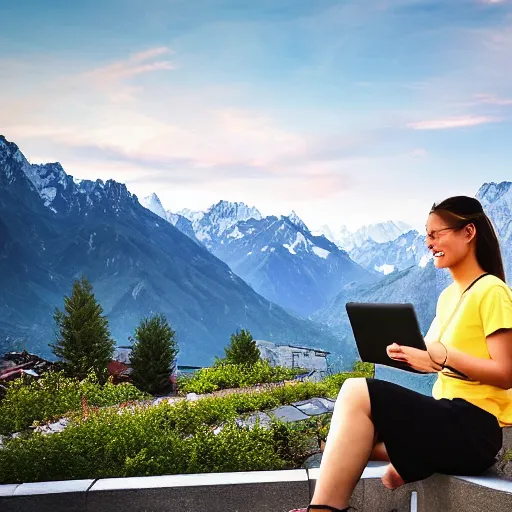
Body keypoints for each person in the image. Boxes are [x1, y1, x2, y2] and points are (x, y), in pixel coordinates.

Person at [290, 196, 512, 512]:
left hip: (476, 426)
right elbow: (432, 359)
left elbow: (505, 374)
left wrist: (444, 355)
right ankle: (414, 460)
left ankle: (325, 510)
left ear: (468, 232)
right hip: (448, 416)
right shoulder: (449, 297)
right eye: (426, 234)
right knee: (346, 435)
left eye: (437, 233)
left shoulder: (493, 291)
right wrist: (404, 354)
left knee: (355, 391)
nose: (428, 242)